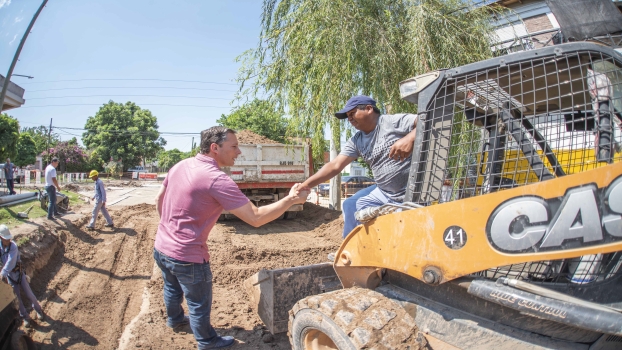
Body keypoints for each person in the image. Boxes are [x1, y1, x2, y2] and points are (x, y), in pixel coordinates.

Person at [153, 126, 309, 350]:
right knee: (198, 303)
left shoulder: (181, 165)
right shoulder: (216, 179)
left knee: (171, 286)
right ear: (214, 148)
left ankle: (175, 320)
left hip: (162, 247)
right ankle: (207, 341)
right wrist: (291, 200)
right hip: (188, 256)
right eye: (234, 147)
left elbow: (160, 197)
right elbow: (255, 217)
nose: (239, 152)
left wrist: (167, 229)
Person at [300, 95, 418, 238]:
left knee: (402, 226)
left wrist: (410, 137)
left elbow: (427, 118)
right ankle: (352, 249)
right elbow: (335, 165)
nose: (349, 119)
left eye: (352, 113)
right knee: (351, 205)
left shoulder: (390, 122)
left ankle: (382, 246)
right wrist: (305, 186)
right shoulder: (357, 140)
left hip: (411, 190)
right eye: (348, 116)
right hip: (383, 191)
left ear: (368, 109)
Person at [0, 224, 44, 328]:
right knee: (17, 299)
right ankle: (25, 317)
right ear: (1, 238)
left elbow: (11, 262)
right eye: (6, 239)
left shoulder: (13, 246)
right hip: (10, 277)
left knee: (30, 295)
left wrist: (3, 273)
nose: (8, 240)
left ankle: (38, 310)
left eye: (9, 238)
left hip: (19, 274)